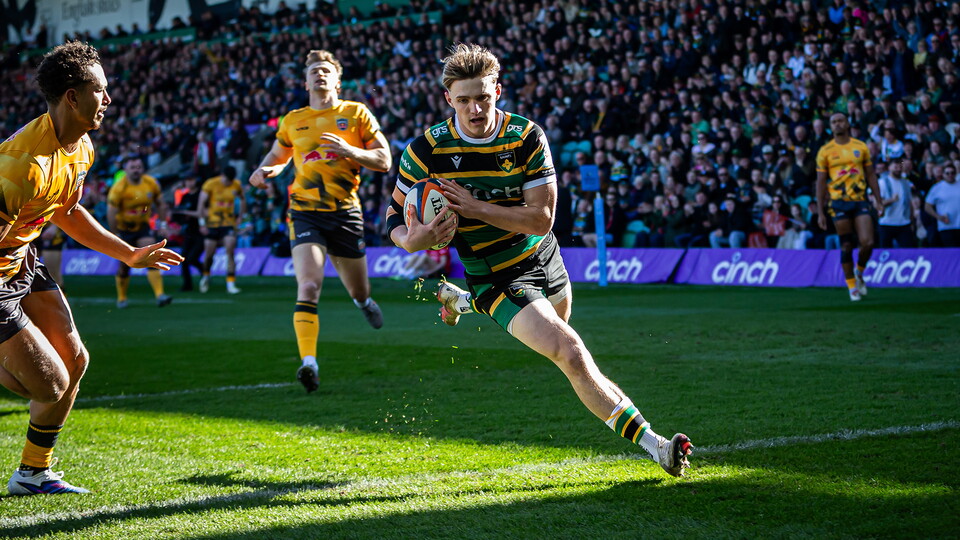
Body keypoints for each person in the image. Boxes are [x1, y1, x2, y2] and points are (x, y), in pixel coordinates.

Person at [385, 44, 691, 477]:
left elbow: (542, 218)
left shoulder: (526, 136)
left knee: (562, 326)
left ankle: (460, 301)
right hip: (494, 273)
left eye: (484, 97)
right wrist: (412, 241)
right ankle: (657, 445)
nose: (475, 108)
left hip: (543, 255)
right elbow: (393, 218)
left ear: (499, 91)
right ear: (448, 99)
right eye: (464, 99)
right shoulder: (426, 151)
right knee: (570, 352)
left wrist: (473, 208)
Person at [0, 42, 183, 495]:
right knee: (48, 385)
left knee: (75, 361)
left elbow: (66, 211)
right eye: (100, 91)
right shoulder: (21, 164)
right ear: (71, 97)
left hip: (20, 261)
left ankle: (33, 472)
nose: (108, 100)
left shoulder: (81, 147)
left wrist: (128, 254)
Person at [248, 49, 391, 393]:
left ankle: (362, 302)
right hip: (304, 211)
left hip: (345, 213)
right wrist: (266, 169)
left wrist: (351, 151)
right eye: (314, 71)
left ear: (337, 80)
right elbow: (279, 154)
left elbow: (384, 159)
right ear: (306, 80)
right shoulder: (293, 119)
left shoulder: (356, 113)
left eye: (326, 70)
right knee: (309, 286)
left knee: (358, 288)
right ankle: (308, 363)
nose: (320, 75)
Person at [815, 113, 884, 302]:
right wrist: (820, 211)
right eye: (834, 122)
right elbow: (820, 183)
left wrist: (878, 200)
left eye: (841, 121)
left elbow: (871, 175)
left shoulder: (860, 146)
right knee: (846, 245)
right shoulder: (825, 151)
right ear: (831, 126)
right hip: (838, 203)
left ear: (847, 123)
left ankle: (859, 271)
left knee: (868, 242)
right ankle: (852, 286)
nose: (837, 124)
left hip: (860, 200)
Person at [107, 155, 173, 308]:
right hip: (124, 229)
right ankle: (122, 297)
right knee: (124, 265)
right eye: (133, 167)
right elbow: (111, 212)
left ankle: (160, 295)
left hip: (143, 228)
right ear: (125, 170)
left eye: (139, 167)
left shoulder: (150, 183)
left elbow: (161, 204)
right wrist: (114, 233)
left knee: (151, 255)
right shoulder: (119, 187)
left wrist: (163, 224)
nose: (136, 170)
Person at [198, 166, 245, 294]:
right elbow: (201, 204)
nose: (228, 183)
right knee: (209, 255)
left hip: (228, 223)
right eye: (226, 180)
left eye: (230, 181)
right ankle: (206, 275)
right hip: (212, 223)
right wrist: (202, 223)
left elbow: (242, 199)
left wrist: (240, 216)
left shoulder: (236, 185)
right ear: (222, 175)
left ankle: (231, 283)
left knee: (230, 250)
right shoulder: (210, 184)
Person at [170, 175, 205, 291]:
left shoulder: (201, 195)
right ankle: (187, 285)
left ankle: (205, 273)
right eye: (187, 180)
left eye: (191, 179)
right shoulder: (184, 197)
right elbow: (180, 212)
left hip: (200, 231)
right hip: (189, 231)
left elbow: (203, 213)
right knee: (183, 259)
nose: (189, 183)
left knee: (192, 258)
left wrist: (186, 212)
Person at [877, 160, 916, 248]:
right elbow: (877, 204)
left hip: (904, 223)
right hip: (886, 223)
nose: (898, 169)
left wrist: (912, 221)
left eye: (900, 167)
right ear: (889, 168)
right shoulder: (882, 182)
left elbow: (909, 203)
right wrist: (891, 200)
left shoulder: (906, 183)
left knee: (908, 250)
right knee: (885, 251)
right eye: (895, 167)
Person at [924, 163, 960, 247]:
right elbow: (927, 206)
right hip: (946, 226)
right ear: (943, 174)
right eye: (947, 173)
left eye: (952, 173)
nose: (950, 175)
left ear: (956, 173)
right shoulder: (937, 188)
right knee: (951, 253)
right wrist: (938, 217)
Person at [38, 224, 66, 288]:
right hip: (28, 227)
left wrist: (55, 226)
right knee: (26, 269)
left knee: (52, 272)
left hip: (49, 227)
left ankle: (60, 296)